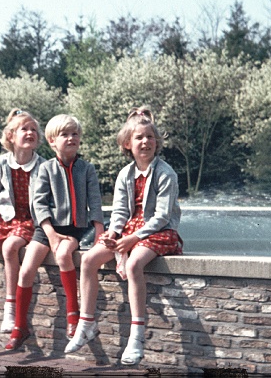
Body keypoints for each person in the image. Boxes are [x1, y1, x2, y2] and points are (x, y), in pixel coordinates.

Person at [64, 106, 182, 366]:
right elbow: (118, 212)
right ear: (128, 144)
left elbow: (162, 216)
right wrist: (113, 233)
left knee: (134, 263)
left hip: (158, 232)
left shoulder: (165, 173)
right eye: (139, 138)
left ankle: (137, 335)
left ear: (156, 142)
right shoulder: (125, 174)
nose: (145, 142)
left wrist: (132, 239)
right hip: (129, 230)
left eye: (150, 137)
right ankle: (86, 324)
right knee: (88, 260)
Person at [4, 114, 104, 350]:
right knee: (26, 270)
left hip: (75, 229)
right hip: (47, 227)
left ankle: (73, 313)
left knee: (63, 255)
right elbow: (38, 204)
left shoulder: (87, 169)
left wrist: (99, 231)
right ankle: (20, 326)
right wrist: (49, 232)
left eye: (75, 134)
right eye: (64, 135)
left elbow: (96, 202)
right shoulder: (45, 169)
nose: (71, 138)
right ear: (51, 141)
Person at [0, 108, 46, 349]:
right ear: (11, 136)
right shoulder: (0, 163)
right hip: (2, 218)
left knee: (11, 248)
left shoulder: (43, 166)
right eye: (25, 129)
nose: (30, 133)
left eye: (34, 129)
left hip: (26, 220)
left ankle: (10, 308)